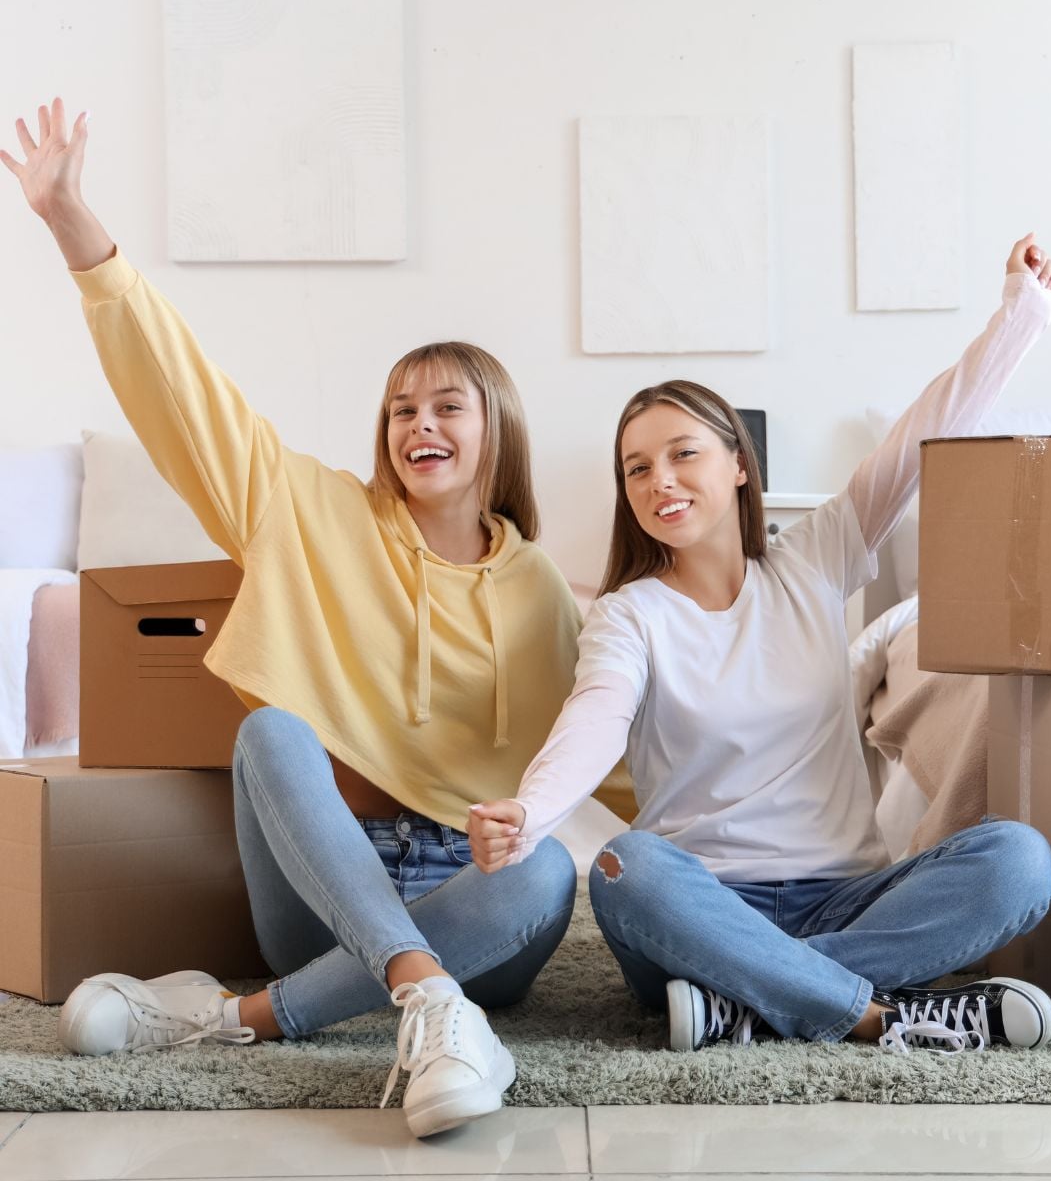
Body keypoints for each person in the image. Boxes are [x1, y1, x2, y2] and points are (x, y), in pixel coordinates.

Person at [3, 98, 633, 1137]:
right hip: (320, 878)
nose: (418, 424)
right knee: (270, 731)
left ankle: (235, 1015)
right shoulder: (312, 513)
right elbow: (187, 400)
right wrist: (77, 228)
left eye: (446, 406)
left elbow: (592, 763)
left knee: (546, 877)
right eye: (401, 408)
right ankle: (433, 1001)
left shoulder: (538, 592)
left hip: (466, 889)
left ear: (496, 431)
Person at [468, 235, 1051, 1056]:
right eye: (636, 469)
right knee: (626, 868)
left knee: (1019, 860)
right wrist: (533, 812)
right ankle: (872, 1013)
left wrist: (1020, 317)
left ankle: (747, 1006)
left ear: (739, 466)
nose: (660, 482)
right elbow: (595, 718)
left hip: (844, 899)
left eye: (683, 454)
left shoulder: (817, 558)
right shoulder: (628, 614)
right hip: (700, 911)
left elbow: (930, 428)